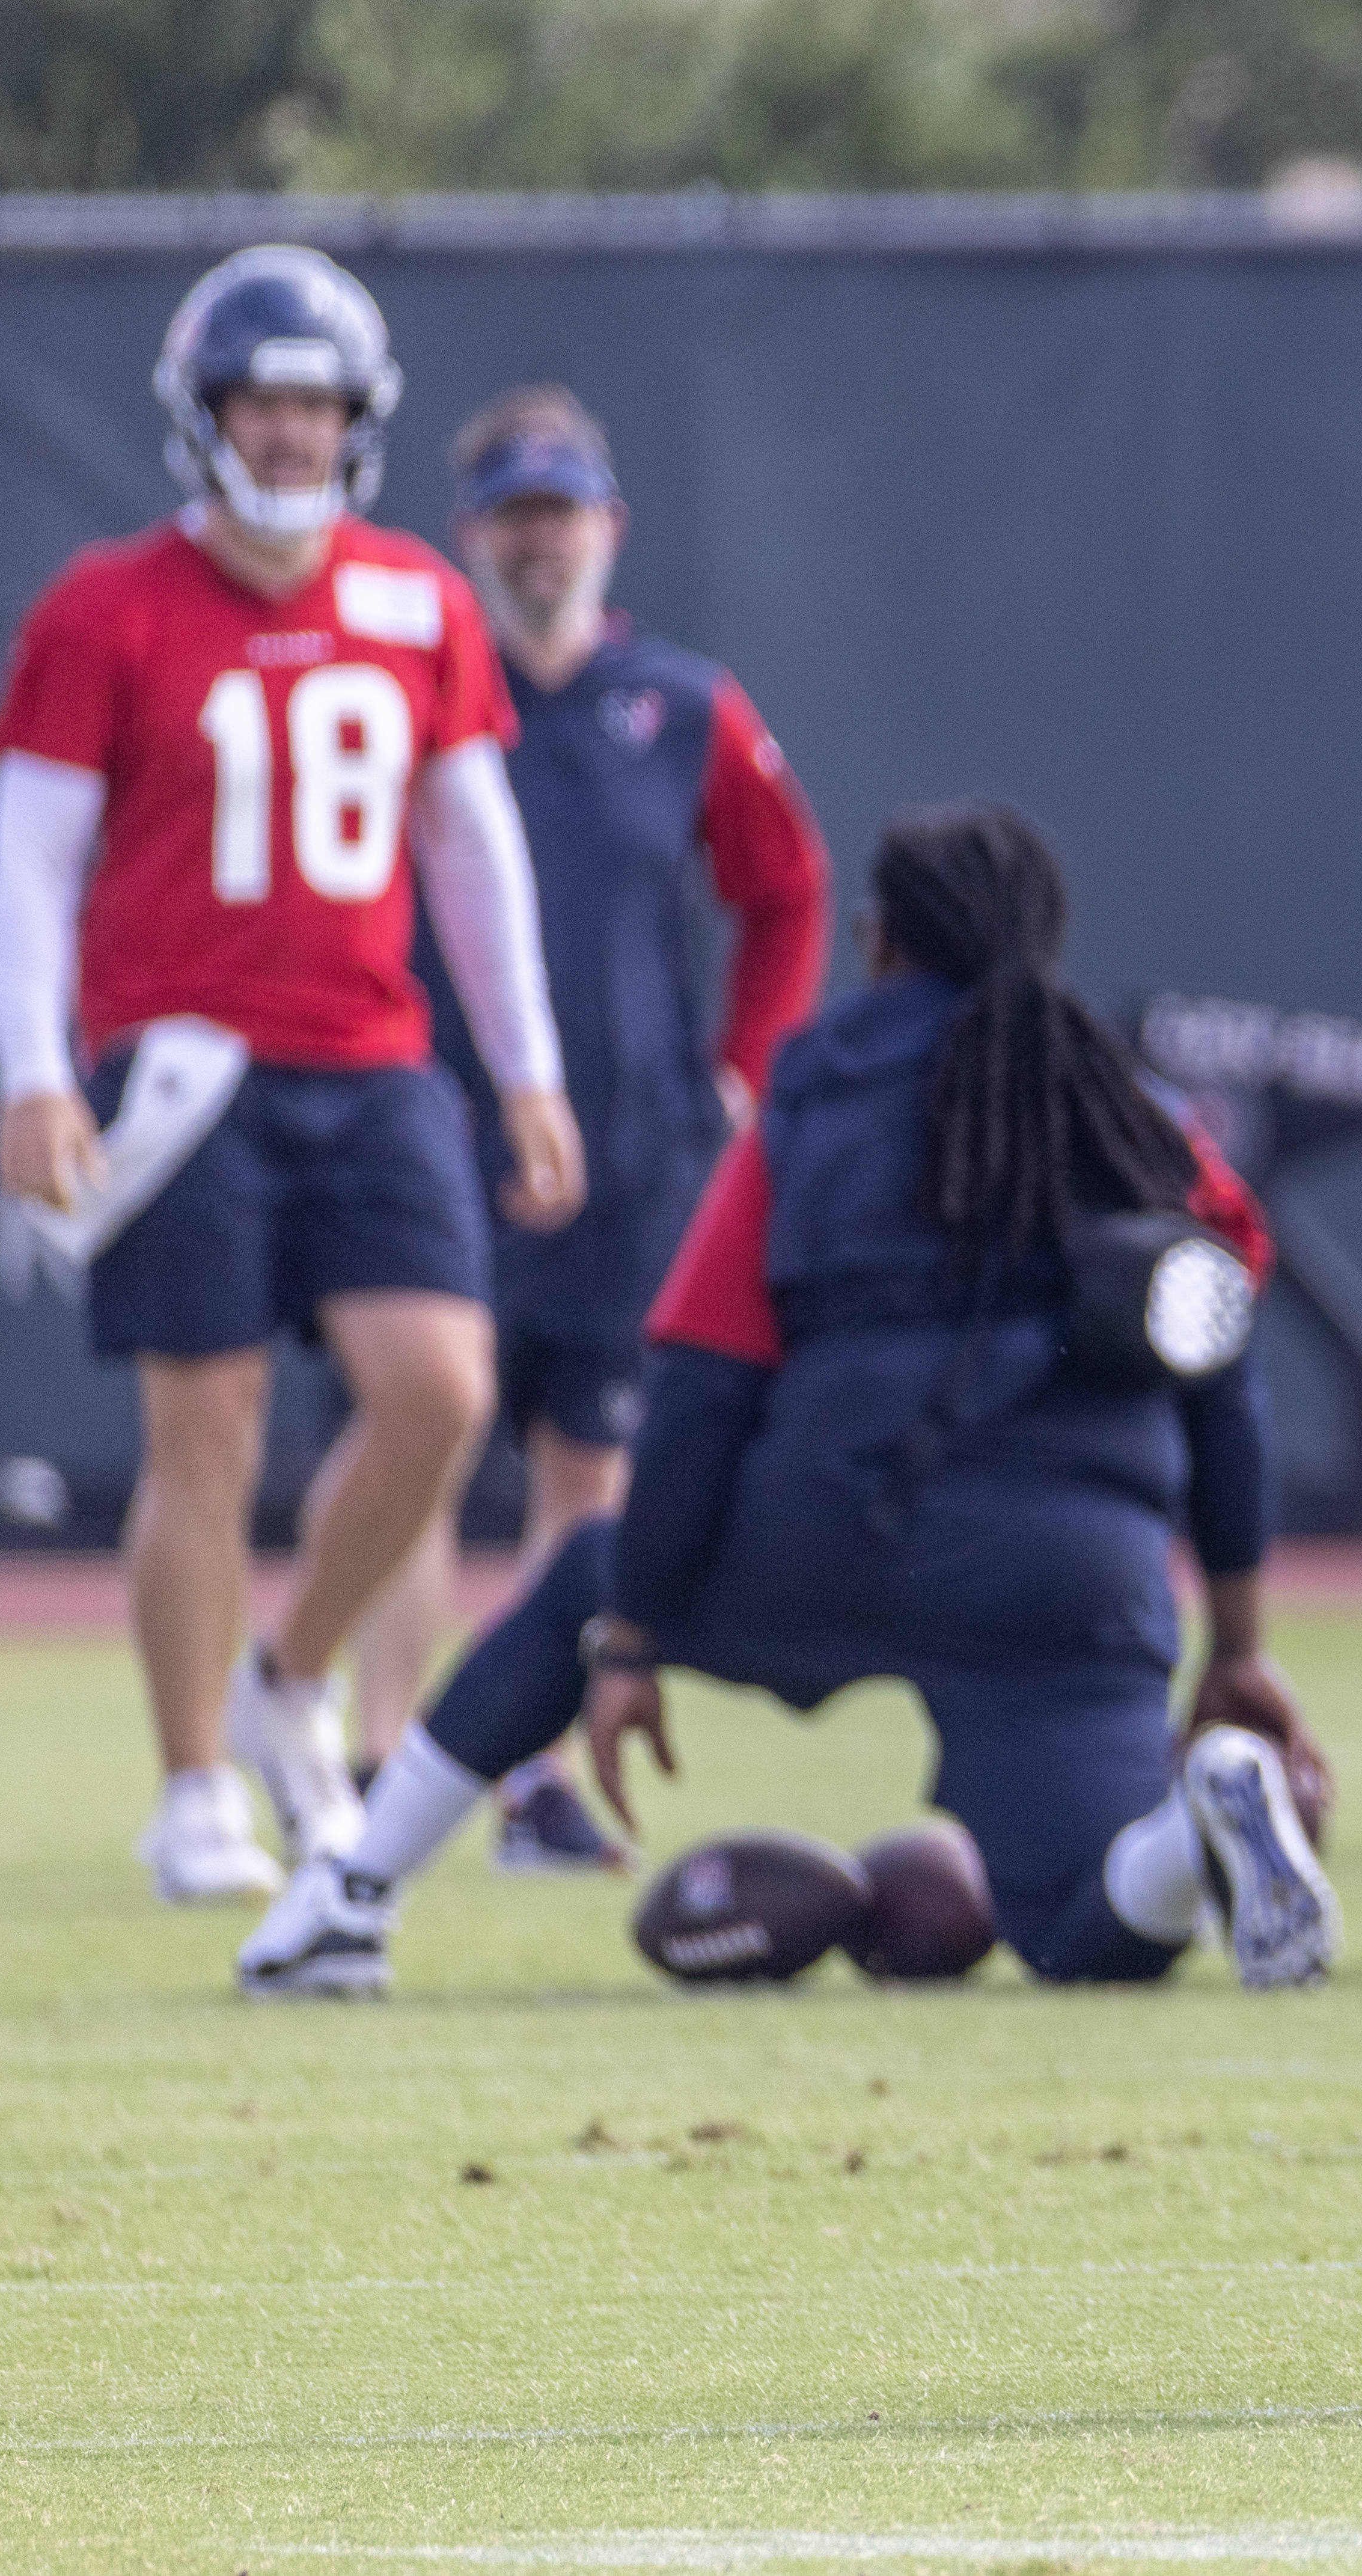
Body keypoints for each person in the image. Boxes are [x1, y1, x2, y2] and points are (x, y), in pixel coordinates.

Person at [237, 804, 1341, 1996]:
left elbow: (702, 1391)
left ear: (879, 945)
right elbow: (1227, 1388)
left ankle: (346, 1904)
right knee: (1088, 1928)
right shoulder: (1136, 1121)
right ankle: (1198, 1825)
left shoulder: (812, 1099)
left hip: (837, 1526)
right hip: (1068, 1570)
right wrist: (1236, 1646)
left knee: (576, 1577)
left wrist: (636, 1628)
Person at [0, 245, 585, 1905]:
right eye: (266, 398)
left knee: (443, 1394)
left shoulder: (415, 597)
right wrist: (35, 1066)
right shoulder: (107, 606)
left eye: (319, 402)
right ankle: (192, 1787)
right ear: (206, 413)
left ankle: (289, 1672)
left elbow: (471, 845)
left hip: (373, 1054)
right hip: (185, 1066)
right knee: (206, 1432)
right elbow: (30, 855)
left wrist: (526, 1066)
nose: (295, 431)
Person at [338, 385, 831, 1868]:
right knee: (416, 1435)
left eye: (564, 515)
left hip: (631, 1150)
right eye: (514, 517)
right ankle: (380, 1753)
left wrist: (745, 1068)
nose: (540, 544)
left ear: (609, 530)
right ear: (468, 533)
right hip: (435, 1130)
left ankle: (528, 1769)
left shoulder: (679, 707)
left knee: (587, 1461)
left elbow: (789, 891)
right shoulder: (413, 688)